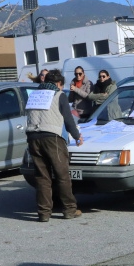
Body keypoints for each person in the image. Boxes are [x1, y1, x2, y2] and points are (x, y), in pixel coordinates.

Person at [25, 70, 83, 222]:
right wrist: (77, 136)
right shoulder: (59, 95)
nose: (61, 88)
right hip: (52, 138)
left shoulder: (33, 95)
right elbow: (68, 119)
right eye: (61, 85)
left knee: (42, 177)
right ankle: (69, 209)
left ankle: (44, 213)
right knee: (62, 175)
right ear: (58, 83)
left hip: (33, 137)